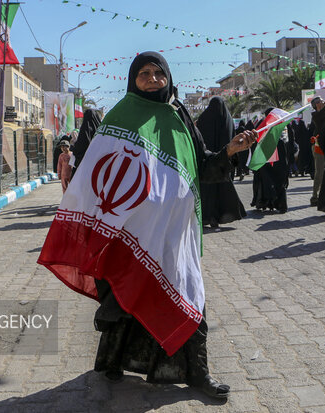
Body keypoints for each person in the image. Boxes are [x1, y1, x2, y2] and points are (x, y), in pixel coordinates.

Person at [38, 51, 257, 399]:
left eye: (159, 73)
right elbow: (97, 175)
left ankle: (198, 375)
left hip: (174, 231)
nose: (153, 79)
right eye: (144, 73)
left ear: (168, 77)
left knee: (190, 296)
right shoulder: (121, 116)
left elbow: (203, 167)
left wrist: (230, 151)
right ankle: (111, 362)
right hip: (131, 231)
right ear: (132, 78)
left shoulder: (179, 115)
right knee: (127, 295)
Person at [196, 96, 246, 228]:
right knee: (223, 189)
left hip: (208, 164)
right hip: (224, 161)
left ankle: (208, 216)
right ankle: (219, 215)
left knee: (207, 190)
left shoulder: (203, 118)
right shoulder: (227, 119)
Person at [250, 108, 289, 213]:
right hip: (275, 155)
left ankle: (268, 202)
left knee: (267, 180)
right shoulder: (278, 125)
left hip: (269, 154)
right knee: (276, 180)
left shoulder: (265, 125)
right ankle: (278, 204)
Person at [71, 109, 102, 174]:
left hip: (83, 172)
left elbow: (77, 151)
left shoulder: (83, 134)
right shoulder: (101, 134)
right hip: (98, 171)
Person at [309, 96, 325, 206]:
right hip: (318, 147)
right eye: (321, 101)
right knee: (319, 172)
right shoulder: (316, 116)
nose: (324, 101)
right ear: (317, 105)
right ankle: (315, 196)